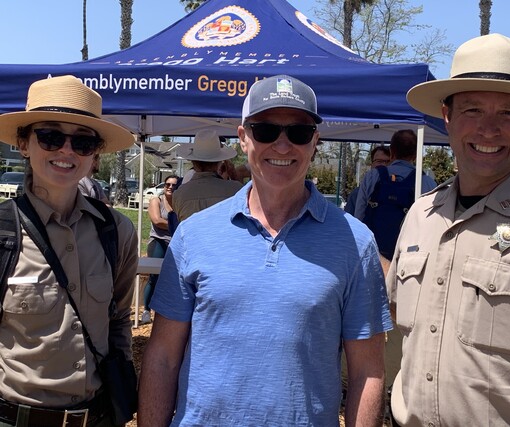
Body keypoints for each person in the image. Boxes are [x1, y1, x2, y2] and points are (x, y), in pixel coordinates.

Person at [138, 74, 392, 426]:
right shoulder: (194, 235)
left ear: (315, 141)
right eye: (266, 130)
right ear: (243, 138)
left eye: (299, 132)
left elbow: (368, 371)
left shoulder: (356, 242)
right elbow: (162, 357)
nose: (283, 146)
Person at [387, 33, 510, 426]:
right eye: (471, 110)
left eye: (508, 113)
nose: (488, 130)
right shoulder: (421, 216)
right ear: (447, 115)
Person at [0, 75, 138, 426]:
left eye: (82, 142)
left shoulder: (116, 232)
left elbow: (119, 320)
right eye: (50, 136)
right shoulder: (3, 231)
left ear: (94, 157)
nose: (66, 151)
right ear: (23, 144)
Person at [354, 129, 437, 259]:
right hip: (409, 256)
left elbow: (358, 217)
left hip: (374, 254)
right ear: (415, 155)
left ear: (391, 151)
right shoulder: (426, 182)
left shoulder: (372, 177)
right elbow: (431, 227)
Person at [172, 129, 243, 223]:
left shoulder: (179, 194)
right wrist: (234, 175)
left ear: (193, 161)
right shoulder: (235, 188)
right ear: (219, 162)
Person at [140, 174, 179, 324]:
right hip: (158, 241)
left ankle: (166, 312)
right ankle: (146, 311)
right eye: (167, 184)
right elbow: (156, 220)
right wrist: (177, 225)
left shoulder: (178, 202)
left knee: (174, 278)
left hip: (175, 242)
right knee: (154, 276)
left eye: (174, 185)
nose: (170, 187)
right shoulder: (156, 200)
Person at [344, 145, 390, 215]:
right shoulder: (357, 194)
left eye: (388, 162)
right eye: (379, 161)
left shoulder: (403, 192)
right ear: (371, 164)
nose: (384, 165)